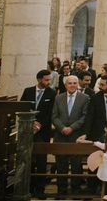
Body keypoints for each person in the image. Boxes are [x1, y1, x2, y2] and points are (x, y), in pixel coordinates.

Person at [20, 69, 56, 198]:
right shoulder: (28, 91)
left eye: (49, 80)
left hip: (43, 130)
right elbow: (23, 107)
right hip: (28, 130)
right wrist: (32, 122)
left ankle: (40, 189)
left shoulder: (51, 93)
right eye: (46, 80)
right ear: (39, 79)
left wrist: (40, 124)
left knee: (41, 160)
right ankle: (27, 187)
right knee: (27, 159)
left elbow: (51, 112)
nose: (48, 82)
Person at [52, 75, 89, 195]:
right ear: (65, 85)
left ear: (78, 84)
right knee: (61, 165)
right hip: (60, 135)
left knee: (76, 165)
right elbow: (54, 116)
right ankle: (61, 191)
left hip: (76, 136)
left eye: (74, 83)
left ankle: (76, 190)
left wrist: (72, 128)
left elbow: (84, 116)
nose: (72, 85)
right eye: (70, 83)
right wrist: (62, 128)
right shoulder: (58, 98)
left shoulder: (84, 98)